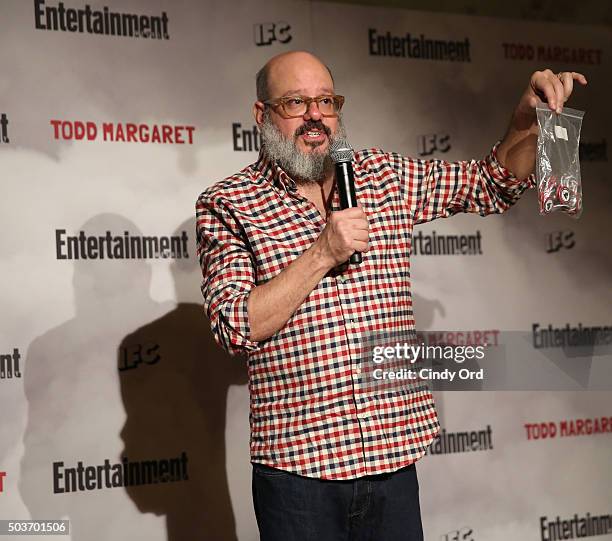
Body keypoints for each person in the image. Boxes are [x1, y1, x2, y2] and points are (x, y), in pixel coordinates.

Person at [195, 51, 586, 541]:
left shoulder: (381, 175)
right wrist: (321, 253)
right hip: (298, 477)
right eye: (296, 102)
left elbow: (491, 183)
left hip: (390, 462)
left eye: (326, 101)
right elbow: (235, 326)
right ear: (261, 114)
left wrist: (525, 118)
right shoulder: (228, 203)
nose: (315, 115)